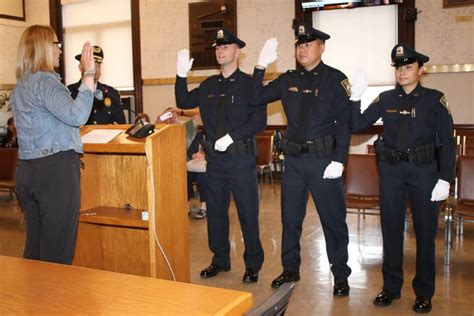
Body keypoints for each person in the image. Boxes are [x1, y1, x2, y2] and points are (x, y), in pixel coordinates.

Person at [350, 44, 456, 314]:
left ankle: (424, 292)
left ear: (421, 70)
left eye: (408, 67)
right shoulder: (385, 99)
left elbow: (447, 141)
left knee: (424, 234)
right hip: (392, 173)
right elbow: (356, 124)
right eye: (398, 67)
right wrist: (355, 97)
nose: (402, 72)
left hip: (424, 173)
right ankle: (391, 288)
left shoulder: (434, 99)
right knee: (391, 232)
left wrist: (446, 178)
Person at [250, 24, 352, 296]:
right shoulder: (287, 79)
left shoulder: (335, 80)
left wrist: (339, 160)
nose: (302, 49)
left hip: (323, 161)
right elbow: (255, 97)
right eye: (299, 45)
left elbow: (344, 124)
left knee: (333, 220)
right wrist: (260, 65)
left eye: (308, 44)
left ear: (322, 47)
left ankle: (340, 274)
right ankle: (290, 268)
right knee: (290, 219)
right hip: (294, 161)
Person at [175, 27, 266, 283]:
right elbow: (183, 99)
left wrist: (233, 136)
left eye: (225, 47)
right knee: (215, 212)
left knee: (248, 213)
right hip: (215, 160)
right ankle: (220, 259)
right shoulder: (209, 85)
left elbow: (259, 121)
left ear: (238, 51)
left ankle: (253, 264)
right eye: (217, 47)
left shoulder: (250, 84)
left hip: (240, 159)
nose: (220, 51)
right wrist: (181, 75)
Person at [10, 25, 95, 264]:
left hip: (28, 171)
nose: (59, 49)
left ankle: (32, 300)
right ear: (42, 48)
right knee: (57, 253)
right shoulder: (46, 82)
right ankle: (52, 301)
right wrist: (88, 74)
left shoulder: (21, 86)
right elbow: (77, 116)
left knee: (36, 249)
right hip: (55, 172)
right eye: (55, 44)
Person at [156, 107, 207, 219]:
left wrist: (180, 111)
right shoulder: (162, 129)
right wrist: (159, 120)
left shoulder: (186, 127)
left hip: (189, 163)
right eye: (168, 116)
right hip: (169, 164)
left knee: (199, 175)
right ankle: (185, 206)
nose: (171, 118)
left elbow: (198, 112)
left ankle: (203, 206)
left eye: (173, 115)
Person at [68, 45, 125, 125]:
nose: (95, 69)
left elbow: (120, 125)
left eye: (98, 65)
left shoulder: (111, 93)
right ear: (80, 67)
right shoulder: (69, 92)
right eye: (91, 64)